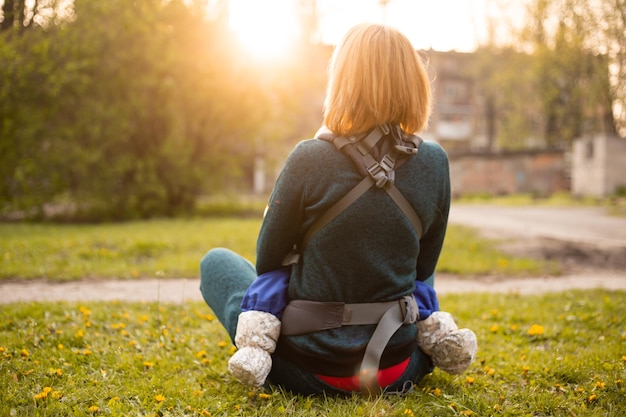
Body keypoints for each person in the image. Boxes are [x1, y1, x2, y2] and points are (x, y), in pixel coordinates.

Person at [200, 23, 477, 396]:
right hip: (396, 371)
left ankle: (259, 351)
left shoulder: (309, 157)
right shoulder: (434, 162)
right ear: (415, 83)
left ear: (342, 81)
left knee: (216, 262)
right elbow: (422, 271)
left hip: (308, 371)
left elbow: (268, 261)